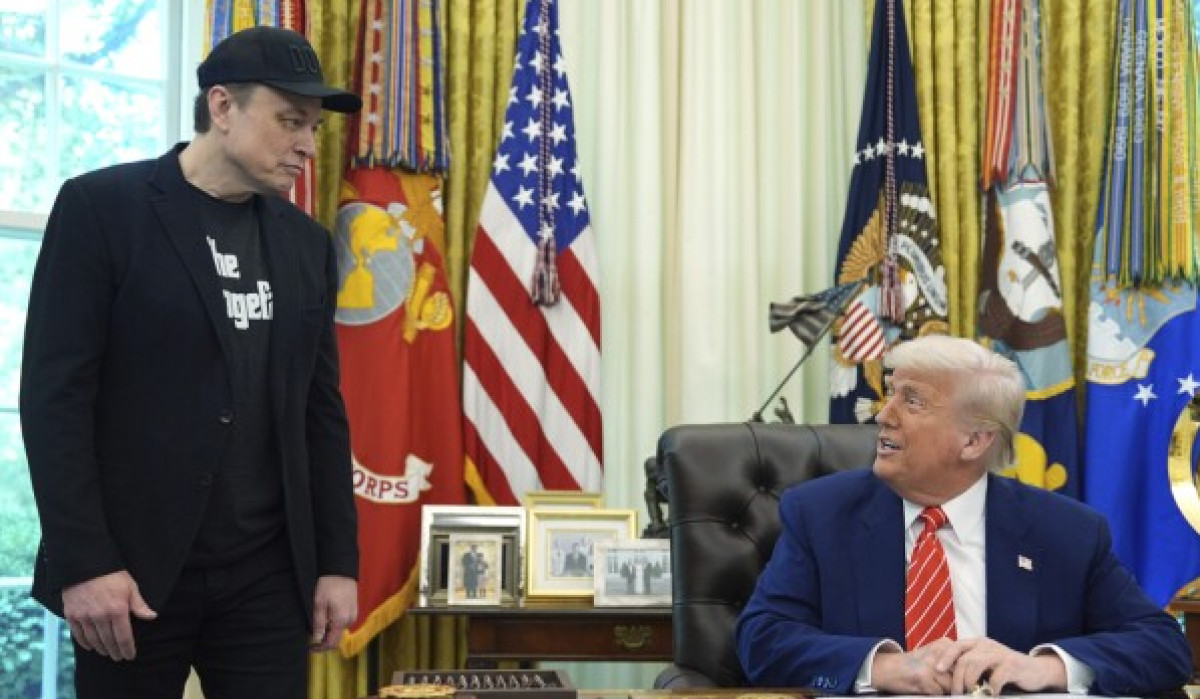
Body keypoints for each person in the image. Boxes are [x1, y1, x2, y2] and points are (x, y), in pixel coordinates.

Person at [20, 26, 362, 699]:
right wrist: (84, 562)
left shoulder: (307, 244)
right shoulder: (101, 209)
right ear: (223, 106)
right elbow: (54, 400)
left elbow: (320, 411)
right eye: (290, 120)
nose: (307, 144)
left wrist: (336, 562)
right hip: (130, 577)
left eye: (314, 127)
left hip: (267, 577)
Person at [735, 335, 1193, 696]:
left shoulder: (1065, 531)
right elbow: (762, 639)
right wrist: (888, 667)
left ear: (974, 441)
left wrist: (1042, 667)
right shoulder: (821, 514)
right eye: (890, 394)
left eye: (912, 401)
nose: (884, 415)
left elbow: (1161, 646)